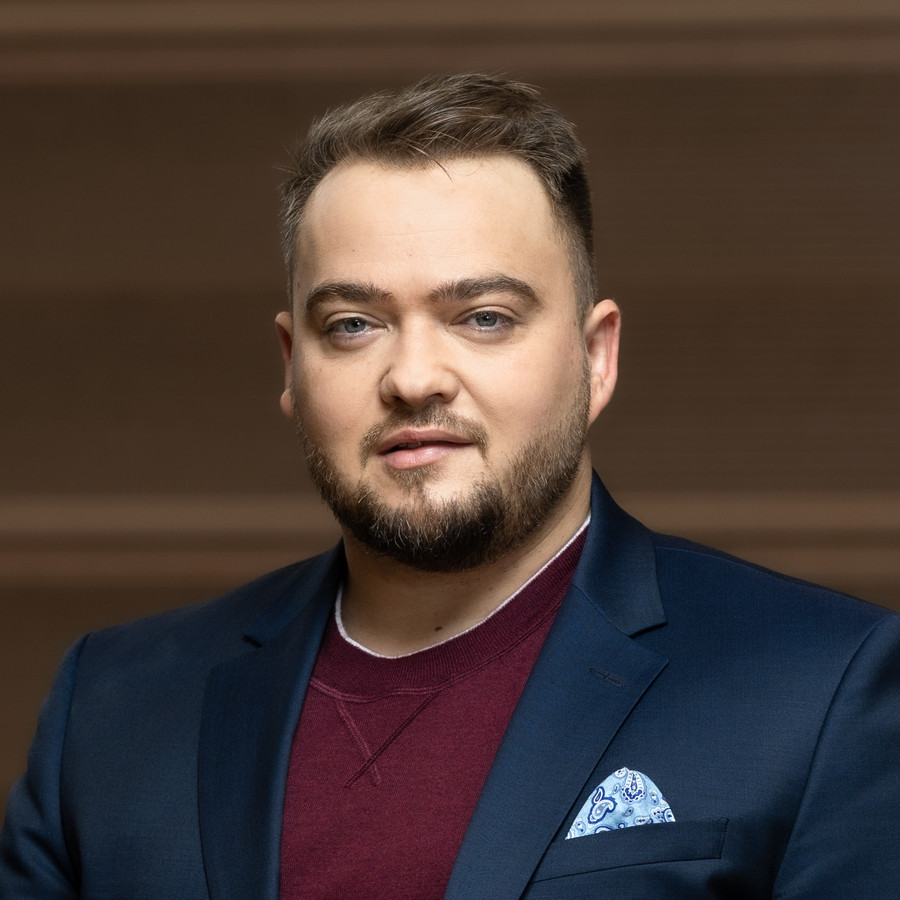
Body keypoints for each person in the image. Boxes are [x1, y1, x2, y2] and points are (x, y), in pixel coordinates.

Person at [1, 73, 898, 900]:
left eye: (484, 318)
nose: (414, 377)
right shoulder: (111, 708)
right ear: (292, 365)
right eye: (353, 325)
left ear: (595, 358)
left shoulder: (822, 689)